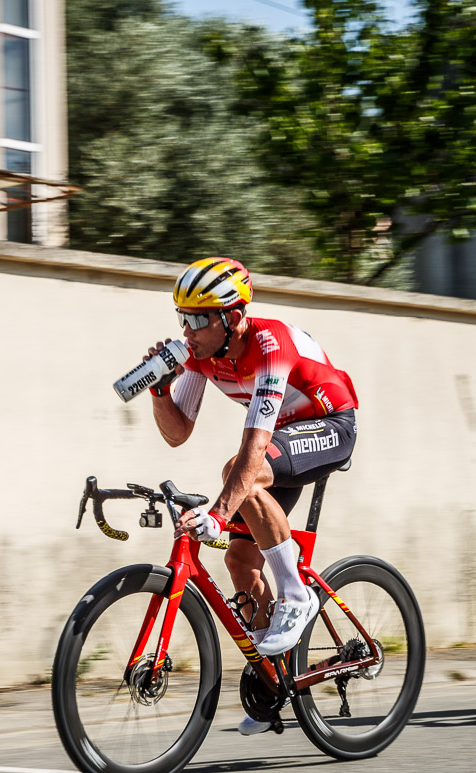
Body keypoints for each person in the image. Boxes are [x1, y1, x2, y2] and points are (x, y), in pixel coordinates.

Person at [145, 257, 359, 735]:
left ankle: (296, 595)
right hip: (284, 436)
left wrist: (217, 515)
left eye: (199, 318)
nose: (188, 328)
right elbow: (177, 434)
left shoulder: (269, 345)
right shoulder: (201, 355)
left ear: (234, 317)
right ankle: (273, 681)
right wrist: (160, 390)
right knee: (240, 563)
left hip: (329, 424)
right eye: (183, 317)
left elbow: (253, 449)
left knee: (240, 472)